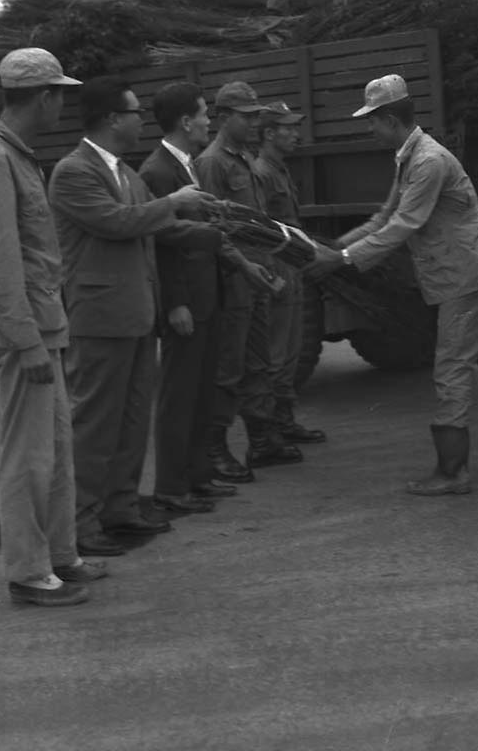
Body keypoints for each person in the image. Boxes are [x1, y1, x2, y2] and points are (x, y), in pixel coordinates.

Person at [309, 74, 478, 496]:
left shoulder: (428, 160)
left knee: (451, 366)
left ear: (392, 118)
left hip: (462, 275)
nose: (368, 128)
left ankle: (454, 472)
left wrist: (341, 260)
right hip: (474, 269)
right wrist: (334, 246)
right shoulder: (410, 154)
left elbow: (404, 224)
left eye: (373, 121)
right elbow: (385, 216)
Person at [48, 76, 216, 557]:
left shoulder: (125, 172)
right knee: (96, 425)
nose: (141, 119)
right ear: (110, 120)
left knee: (131, 420)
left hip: (136, 314)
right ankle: (81, 523)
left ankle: (120, 508)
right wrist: (174, 204)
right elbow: (117, 222)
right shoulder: (74, 172)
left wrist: (221, 233)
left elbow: (159, 228)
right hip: (100, 318)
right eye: (133, 112)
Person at [0, 48, 99, 607]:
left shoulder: (16, 155)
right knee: (28, 454)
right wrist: (25, 341)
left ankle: (60, 557)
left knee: (57, 448)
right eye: (59, 94)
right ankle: (27, 572)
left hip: (43, 325)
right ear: (42, 97)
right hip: (25, 334)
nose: (62, 103)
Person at [138, 81, 273, 507]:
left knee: (201, 393)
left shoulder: (189, 165)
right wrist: (174, 301)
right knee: (179, 397)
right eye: (202, 114)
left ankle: (199, 475)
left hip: (207, 296)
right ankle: (172, 487)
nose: (206, 122)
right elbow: (160, 241)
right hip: (186, 304)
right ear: (184, 121)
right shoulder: (158, 171)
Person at [194, 80, 304, 474]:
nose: (254, 123)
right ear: (223, 117)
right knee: (231, 365)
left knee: (259, 361)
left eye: (257, 116)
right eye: (246, 116)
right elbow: (215, 226)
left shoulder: (243, 158)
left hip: (259, 273)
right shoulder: (213, 163)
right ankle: (218, 446)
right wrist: (243, 265)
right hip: (235, 276)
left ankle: (262, 440)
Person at [255, 100, 326, 445]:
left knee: (291, 352)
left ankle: (284, 423)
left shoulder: (278, 168)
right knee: (277, 353)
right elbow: (262, 229)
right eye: (288, 128)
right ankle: (270, 431)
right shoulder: (263, 173)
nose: (296, 134)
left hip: (291, 264)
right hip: (278, 266)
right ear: (269, 133)